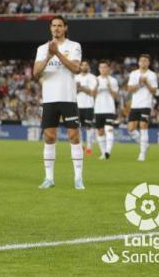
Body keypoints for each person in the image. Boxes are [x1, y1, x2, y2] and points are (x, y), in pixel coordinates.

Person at [33, 15, 84, 190]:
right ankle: (49, 178)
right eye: (53, 26)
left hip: (68, 98)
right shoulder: (42, 49)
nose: (56, 28)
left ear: (65, 28)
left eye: (59, 26)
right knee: (49, 136)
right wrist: (48, 55)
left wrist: (58, 53)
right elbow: (36, 72)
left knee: (74, 137)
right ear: (50, 28)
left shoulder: (74, 46)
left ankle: (78, 178)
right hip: (49, 99)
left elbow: (76, 68)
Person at [126, 54, 158, 161]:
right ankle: (144, 144)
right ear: (138, 63)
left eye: (145, 61)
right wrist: (140, 84)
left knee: (143, 126)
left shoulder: (152, 75)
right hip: (135, 105)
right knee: (131, 129)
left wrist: (147, 83)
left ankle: (142, 153)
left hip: (146, 104)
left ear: (148, 63)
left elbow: (154, 91)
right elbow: (130, 89)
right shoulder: (134, 74)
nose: (143, 62)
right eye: (141, 61)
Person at [94, 61, 119, 160]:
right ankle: (103, 153)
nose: (103, 69)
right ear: (99, 69)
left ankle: (108, 151)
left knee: (108, 129)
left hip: (109, 109)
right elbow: (92, 94)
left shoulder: (113, 80)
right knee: (100, 132)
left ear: (108, 69)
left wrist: (109, 87)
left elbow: (115, 96)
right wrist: (96, 86)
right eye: (101, 67)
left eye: (105, 67)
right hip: (98, 109)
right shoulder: (95, 80)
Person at [74, 61, 97, 156]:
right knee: (78, 127)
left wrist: (81, 88)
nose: (84, 66)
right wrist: (80, 89)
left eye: (86, 65)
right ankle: (81, 145)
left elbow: (92, 92)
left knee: (88, 126)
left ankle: (89, 147)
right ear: (80, 66)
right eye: (82, 65)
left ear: (89, 67)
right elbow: (72, 91)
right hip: (78, 105)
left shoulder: (92, 77)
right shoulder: (75, 77)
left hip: (88, 105)